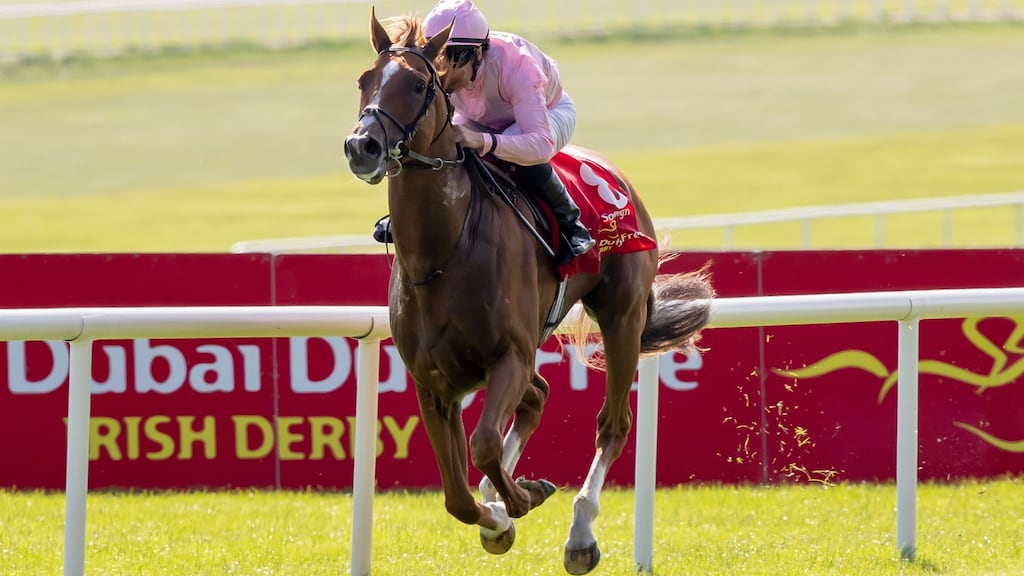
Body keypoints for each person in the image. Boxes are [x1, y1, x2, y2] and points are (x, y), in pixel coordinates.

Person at [374, 0, 596, 262]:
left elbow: (540, 144)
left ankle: (570, 222)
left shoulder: (517, 65)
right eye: (440, 58)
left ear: (478, 54)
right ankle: (409, 213)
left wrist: (482, 140)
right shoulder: (437, 66)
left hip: (550, 113)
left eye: (455, 60)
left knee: (506, 149)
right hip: (480, 119)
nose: (447, 74)